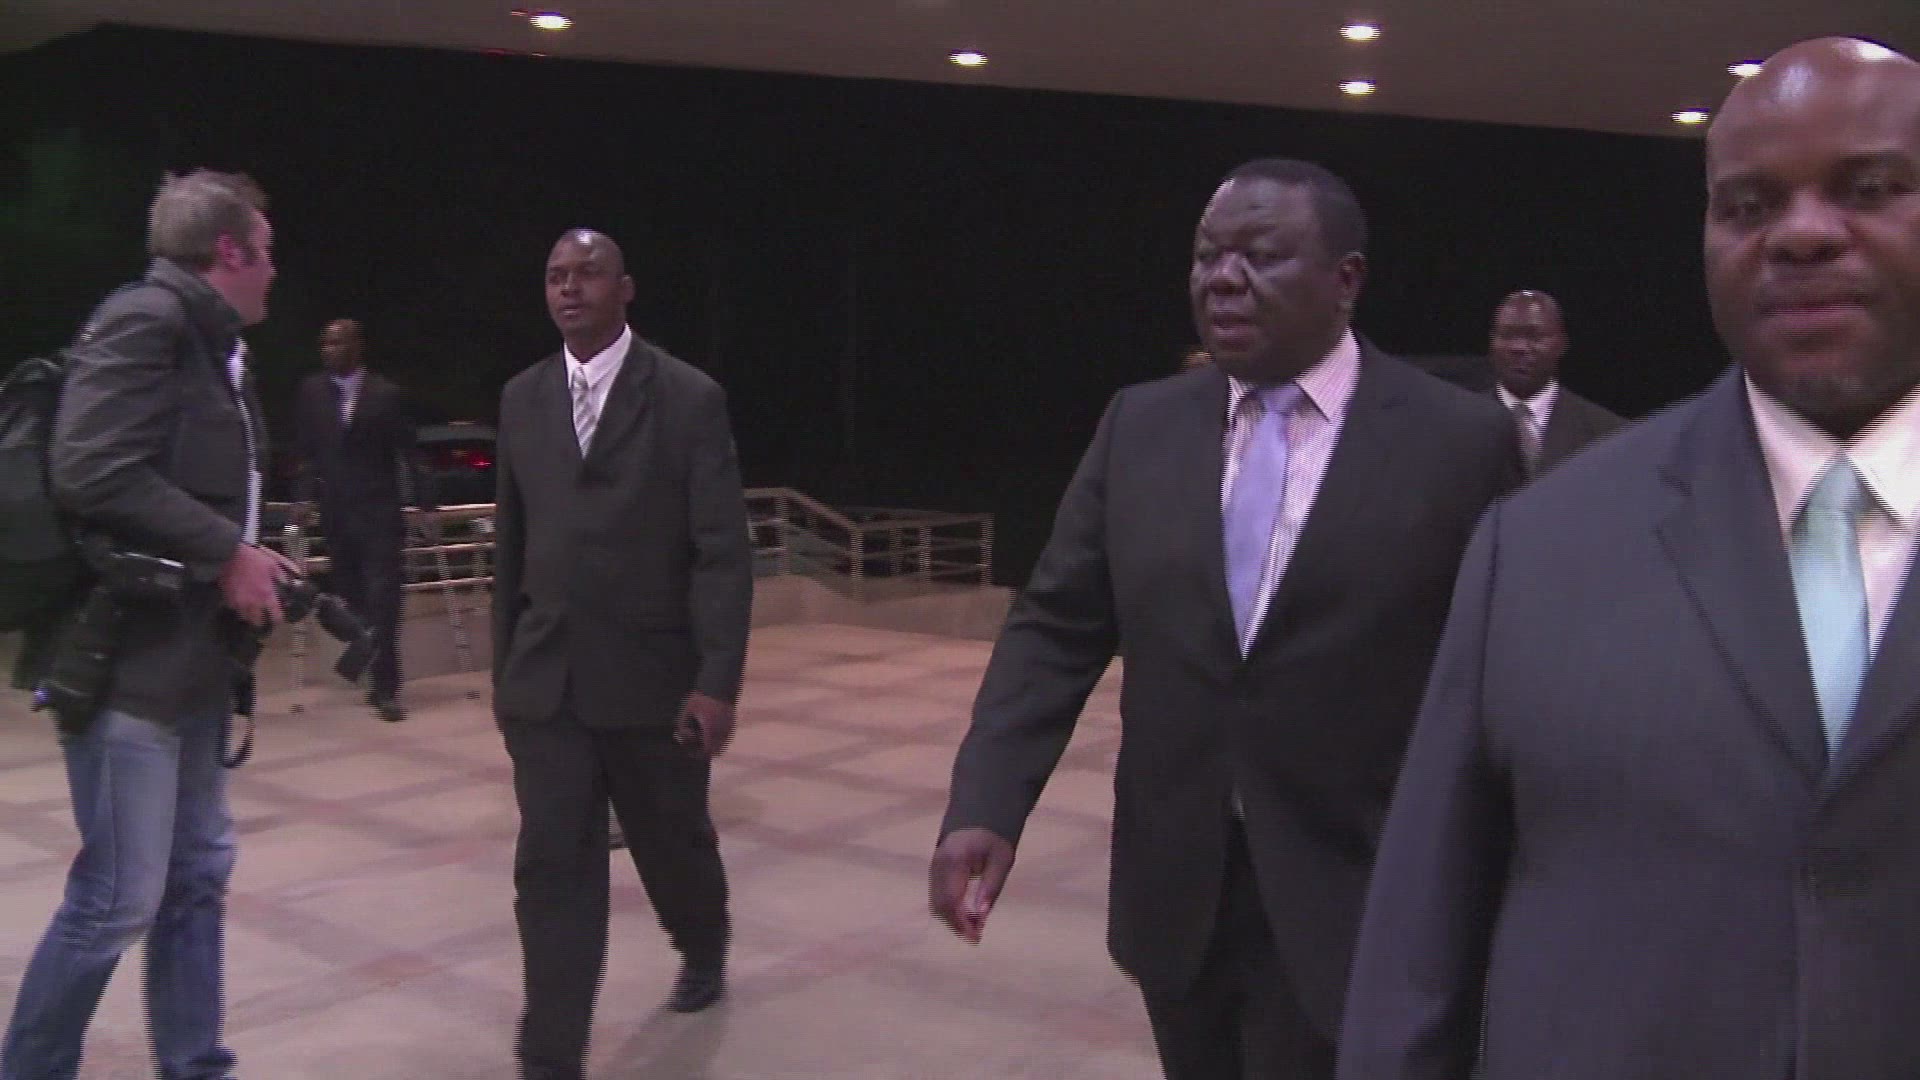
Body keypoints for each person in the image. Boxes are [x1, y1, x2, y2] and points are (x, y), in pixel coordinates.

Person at [1338, 38, 1920, 1080]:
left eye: (1869, 189)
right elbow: (1419, 955)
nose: (1801, 233)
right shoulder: (1537, 546)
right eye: (1747, 206)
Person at [929, 159, 1520, 1080]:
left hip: (1359, 889)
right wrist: (987, 801)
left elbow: (1504, 675)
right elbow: (1056, 627)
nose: (1223, 279)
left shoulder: (1459, 442)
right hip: (1178, 893)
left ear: (1346, 281)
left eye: (1261, 257)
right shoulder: (1141, 425)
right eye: (1208, 256)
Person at [2, 169, 297, 1080]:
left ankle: (194, 1064)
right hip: (125, 663)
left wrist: (238, 560)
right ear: (229, 251)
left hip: (191, 661)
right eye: (267, 252)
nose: (275, 270)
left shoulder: (212, 348)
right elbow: (90, 468)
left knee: (197, 876)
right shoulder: (147, 321)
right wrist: (226, 551)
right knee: (117, 899)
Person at [491, 229, 752, 1080]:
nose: (570, 288)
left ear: (626, 288)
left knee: (673, 846)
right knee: (553, 871)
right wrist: (506, 678)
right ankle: (550, 1056)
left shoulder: (687, 398)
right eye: (555, 276)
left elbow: (721, 552)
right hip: (549, 688)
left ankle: (703, 941)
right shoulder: (522, 398)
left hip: (654, 687)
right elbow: (512, 548)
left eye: (588, 273)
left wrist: (717, 681)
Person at [293, 317, 418, 721]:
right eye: (325, 343)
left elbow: (407, 450)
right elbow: (307, 452)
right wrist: (302, 497)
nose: (328, 350)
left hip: (380, 514)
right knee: (353, 601)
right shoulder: (312, 392)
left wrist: (426, 501)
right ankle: (366, 662)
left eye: (337, 342)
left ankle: (386, 688)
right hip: (337, 516)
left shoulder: (385, 394)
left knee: (384, 600)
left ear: (357, 347)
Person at [1487, 289, 1624, 476]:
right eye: (1507, 335)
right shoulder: (1459, 427)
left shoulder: (1608, 432)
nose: (1519, 347)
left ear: (1562, 344)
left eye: (1535, 336)